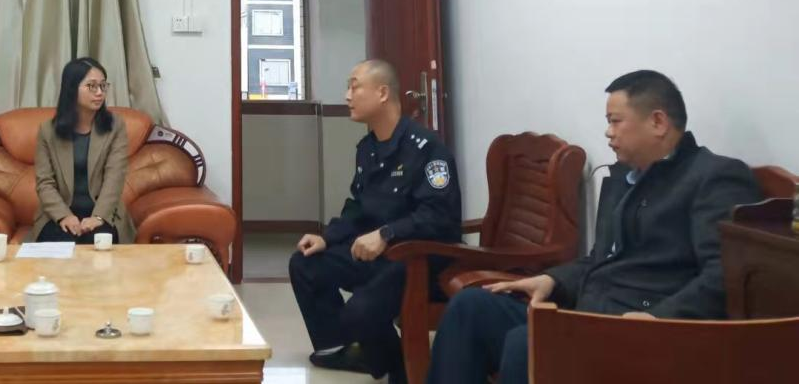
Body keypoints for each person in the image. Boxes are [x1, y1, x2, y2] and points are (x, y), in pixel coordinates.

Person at [426, 70, 762, 384]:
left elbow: (724, 274)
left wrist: (659, 318)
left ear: (658, 122)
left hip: (643, 329)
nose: (608, 132)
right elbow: (600, 258)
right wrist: (553, 279)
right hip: (588, 314)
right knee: (471, 306)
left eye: (615, 121)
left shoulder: (714, 177)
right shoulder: (625, 178)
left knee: (526, 343)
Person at [289, 59, 462, 383]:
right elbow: (359, 207)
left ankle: (402, 369)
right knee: (305, 264)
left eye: (354, 87)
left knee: (360, 312)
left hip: (418, 258)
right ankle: (345, 349)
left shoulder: (427, 148)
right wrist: (328, 237)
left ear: (382, 93)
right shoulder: (368, 149)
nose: (347, 96)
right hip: (379, 254)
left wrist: (386, 233)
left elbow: (440, 217)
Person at [30, 56, 136, 245]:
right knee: (60, 244)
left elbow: (115, 177)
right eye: (91, 86)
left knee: (98, 243)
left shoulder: (115, 126)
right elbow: (44, 182)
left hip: (103, 213)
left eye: (103, 86)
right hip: (59, 213)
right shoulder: (48, 131)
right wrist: (64, 216)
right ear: (72, 89)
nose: (100, 92)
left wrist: (98, 217)